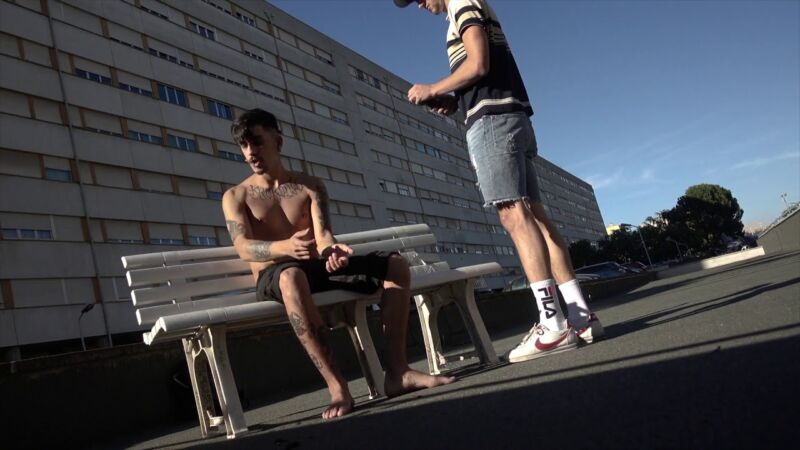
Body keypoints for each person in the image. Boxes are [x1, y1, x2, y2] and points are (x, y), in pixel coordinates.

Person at [394, 0, 604, 363]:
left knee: (513, 215)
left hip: (493, 123)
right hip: (511, 115)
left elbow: (478, 63)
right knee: (536, 217)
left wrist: (432, 88)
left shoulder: (460, 4)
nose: (420, 5)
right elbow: (483, 72)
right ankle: (580, 316)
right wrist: (455, 100)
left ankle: (553, 324)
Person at [222, 108, 454, 420]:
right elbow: (242, 247)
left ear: (278, 142)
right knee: (291, 277)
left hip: (312, 270)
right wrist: (284, 247)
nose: (250, 151)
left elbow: (323, 235)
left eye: (257, 142)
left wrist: (332, 250)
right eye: (244, 145)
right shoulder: (236, 196)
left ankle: (398, 372)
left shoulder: (310, 186)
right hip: (274, 275)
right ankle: (337, 388)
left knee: (395, 265)